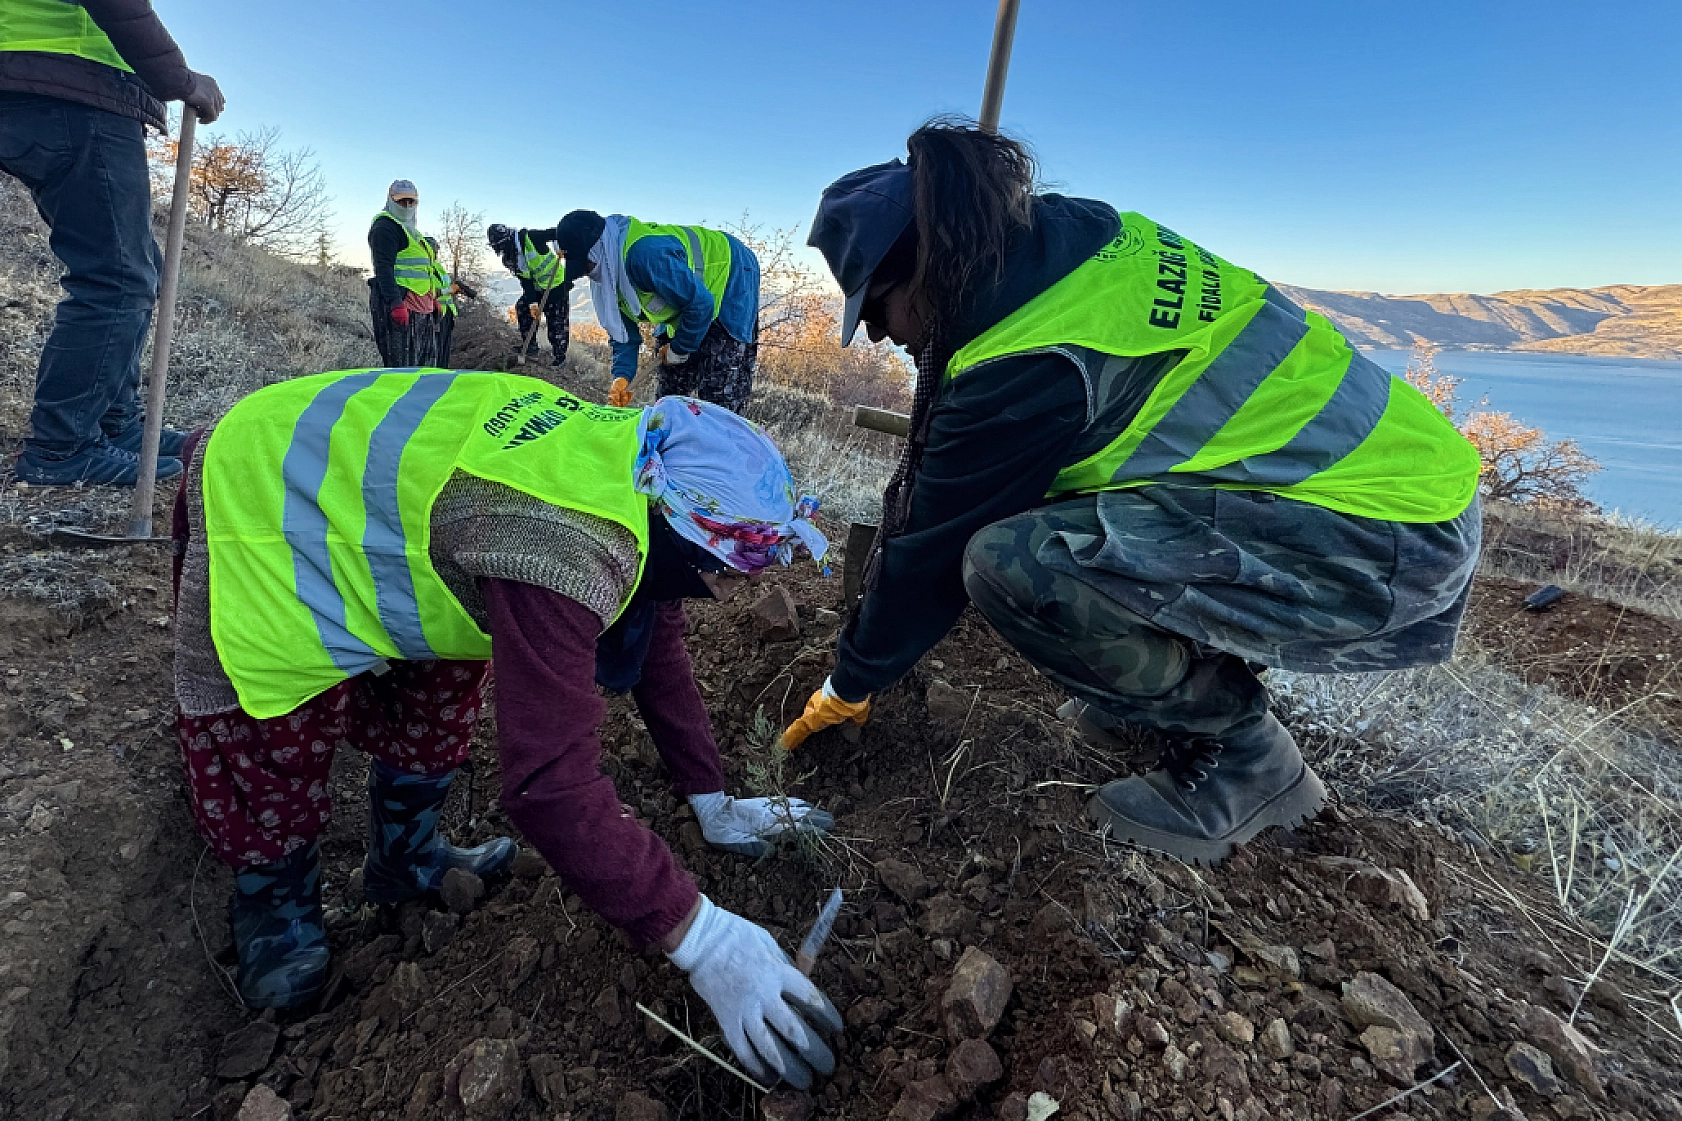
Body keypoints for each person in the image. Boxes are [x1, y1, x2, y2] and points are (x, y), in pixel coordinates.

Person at [783, 119, 1484, 866]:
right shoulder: (1068, 241)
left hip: (1380, 530)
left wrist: (851, 680)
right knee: (1051, 507)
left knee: (1014, 562)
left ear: (922, 267)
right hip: (1400, 483)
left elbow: (932, 548)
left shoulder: (1027, 351)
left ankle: (1245, 753)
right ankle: (1149, 691)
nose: (881, 338)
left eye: (876, 309)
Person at [170, 374, 841, 1087]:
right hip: (268, 490)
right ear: (681, 533)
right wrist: (702, 938)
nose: (741, 587)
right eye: (732, 567)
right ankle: (276, 906)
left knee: (439, 686)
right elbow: (548, 783)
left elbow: (656, 646)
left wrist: (711, 797)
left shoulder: (637, 477)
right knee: (269, 723)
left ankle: (404, 857)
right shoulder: (567, 544)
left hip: (405, 514)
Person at [2, 0, 223, 486]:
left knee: (134, 266)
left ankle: (113, 422)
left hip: (42, 84)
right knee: (117, 277)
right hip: (68, 90)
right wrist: (180, 80)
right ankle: (61, 447)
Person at [549, 210, 760, 413]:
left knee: (718, 395)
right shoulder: (608, 272)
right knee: (669, 393)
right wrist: (622, 377)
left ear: (598, 249)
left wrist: (679, 348)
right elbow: (622, 333)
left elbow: (701, 303)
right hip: (686, 298)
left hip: (732, 273)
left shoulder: (644, 256)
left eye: (585, 265)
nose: (586, 273)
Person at [367, 180, 438, 367]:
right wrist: (395, 303)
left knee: (425, 369)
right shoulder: (385, 227)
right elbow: (383, 268)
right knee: (403, 371)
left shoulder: (414, 233)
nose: (406, 205)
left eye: (411, 201)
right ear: (391, 200)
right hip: (402, 307)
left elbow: (423, 270)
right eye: (401, 201)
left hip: (422, 309)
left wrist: (432, 298)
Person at [486, 223, 570, 366]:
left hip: (557, 286)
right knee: (522, 307)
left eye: (501, 246)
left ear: (508, 240)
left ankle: (560, 358)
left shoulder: (531, 237)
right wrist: (532, 304)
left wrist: (559, 248)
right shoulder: (511, 258)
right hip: (538, 289)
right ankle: (530, 346)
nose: (501, 251)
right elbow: (526, 281)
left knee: (556, 324)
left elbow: (557, 232)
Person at [426, 235, 476, 367]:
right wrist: (449, 290)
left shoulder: (437, 267)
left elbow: (444, 287)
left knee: (444, 351)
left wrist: (456, 290)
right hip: (433, 315)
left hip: (446, 315)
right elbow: (425, 293)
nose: (435, 253)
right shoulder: (423, 268)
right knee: (434, 352)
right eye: (433, 250)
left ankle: (442, 374)